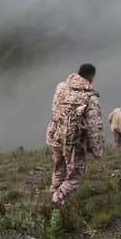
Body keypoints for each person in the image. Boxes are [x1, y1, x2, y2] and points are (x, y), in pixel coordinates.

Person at [46, 63, 104, 204]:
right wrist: (97, 150)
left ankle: (54, 193)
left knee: (59, 169)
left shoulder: (61, 87)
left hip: (56, 136)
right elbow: (94, 126)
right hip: (74, 142)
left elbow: (55, 108)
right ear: (91, 78)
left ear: (77, 72)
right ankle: (56, 203)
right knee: (74, 178)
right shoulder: (90, 97)